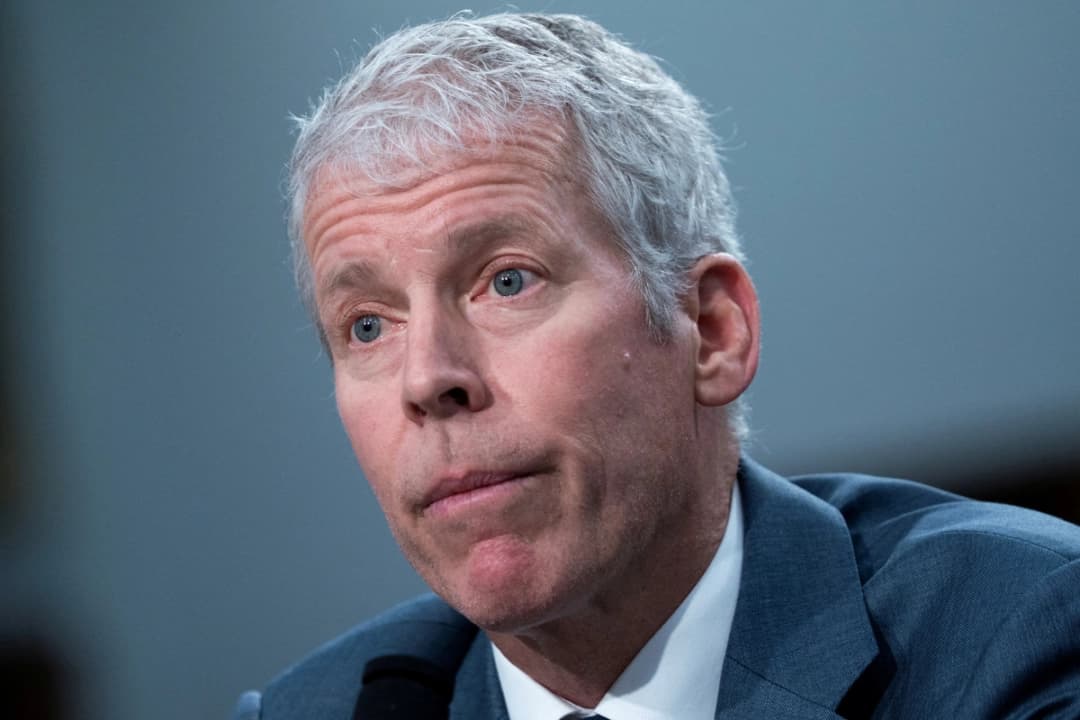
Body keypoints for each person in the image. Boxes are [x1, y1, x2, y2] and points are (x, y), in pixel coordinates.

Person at [235, 12, 1080, 719]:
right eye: (368, 326)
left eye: (506, 280)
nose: (427, 379)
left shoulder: (1017, 636)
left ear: (711, 331)